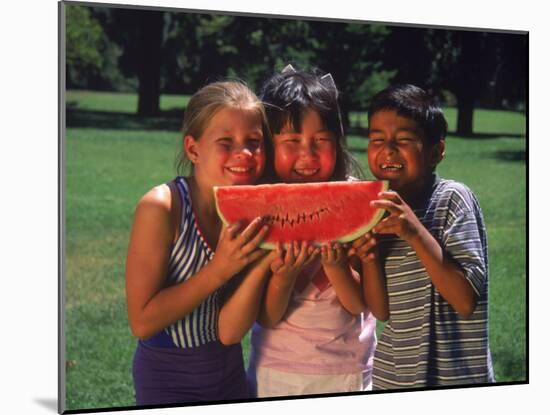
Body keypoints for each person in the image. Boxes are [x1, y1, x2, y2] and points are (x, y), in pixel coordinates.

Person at [125, 81, 276, 405]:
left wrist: (268, 259)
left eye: (254, 141)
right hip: (167, 381)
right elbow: (141, 321)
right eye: (226, 141)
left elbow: (232, 329)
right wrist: (218, 270)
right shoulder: (162, 207)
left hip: (231, 374)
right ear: (193, 149)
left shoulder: (254, 211)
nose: (244, 154)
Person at [350, 84, 495, 389]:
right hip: (394, 379)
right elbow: (381, 311)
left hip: (458, 380)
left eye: (403, 140)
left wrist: (414, 231)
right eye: (377, 139)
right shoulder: (376, 211)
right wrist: (370, 258)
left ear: (436, 152)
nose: (388, 150)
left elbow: (465, 300)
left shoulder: (453, 199)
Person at [246, 66, 377, 397]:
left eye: (321, 140)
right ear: (270, 146)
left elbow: (357, 303)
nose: (308, 154)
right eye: (292, 141)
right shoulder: (259, 206)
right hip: (277, 370)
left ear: (338, 142)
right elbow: (267, 315)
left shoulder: (355, 198)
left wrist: (336, 268)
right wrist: (284, 276)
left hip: (347, 370)